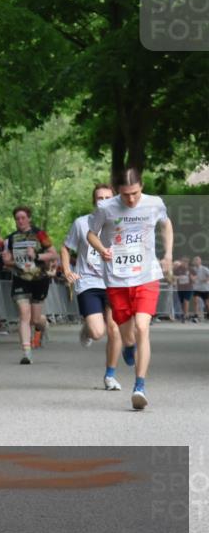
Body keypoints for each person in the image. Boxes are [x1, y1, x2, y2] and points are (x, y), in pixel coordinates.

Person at [87, 167, 174, 410]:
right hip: (117, 279)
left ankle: (140, 386)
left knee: (142, 327)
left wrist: (167, 254)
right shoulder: (106, 208)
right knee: (128, 336)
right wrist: (102, 249)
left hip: (146, 276)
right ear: (118, 192)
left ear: (141, 187)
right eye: (126, 195)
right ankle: (128, 346)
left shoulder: (154, 203)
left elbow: (166, 225)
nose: (131, 199)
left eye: (134, 193)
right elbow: (91, 235)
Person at [60, 184, 123, 391]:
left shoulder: (121, 223)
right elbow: (65, 248)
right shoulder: (81, 223)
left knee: (114, 328)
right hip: (88, 281)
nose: (103, 201)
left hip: (114, 281)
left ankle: (110, 376)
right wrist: (67, 270)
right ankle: (87, 330)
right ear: (93, 201)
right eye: (99, 198)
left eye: (108, 197)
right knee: (98, 333)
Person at [2, 206, 56, 365]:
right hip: (20, 279)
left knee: (35, 318)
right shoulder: (11, 238)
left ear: (29, 218)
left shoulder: (40, 234)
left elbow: (54, 254)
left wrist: (37, 255)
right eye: (17, 218)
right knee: (24, 315)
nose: (20, 221)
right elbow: (8, 261)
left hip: (39, 279)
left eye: (23, 217)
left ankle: (43, 323)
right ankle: (27, 352)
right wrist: (7, 260)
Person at [173, 257, 195, 322]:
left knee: (186, 301)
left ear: (187, 263)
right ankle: (183, 314)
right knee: (182, 302)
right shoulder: (177, 269)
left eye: (185, 262)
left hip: (188, 288)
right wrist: (178, 277)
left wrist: (190, 276)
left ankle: (185, 315)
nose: (184, 263)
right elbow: (173, 277)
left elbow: (194, 279)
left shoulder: (191, 269)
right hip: (180, 288)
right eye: (183, 262)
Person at [192, 256, 209, 320]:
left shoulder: (204, 269)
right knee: (195, 301)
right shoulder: (193, 269)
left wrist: (206, 279)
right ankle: (196, 314)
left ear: (200, 261)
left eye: (197, 260)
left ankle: (208, 313)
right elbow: (191, 276)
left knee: (207, 303)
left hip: (205, 288)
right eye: (195, 260)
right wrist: (192, 279)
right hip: (196, 288)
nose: (196, 261)